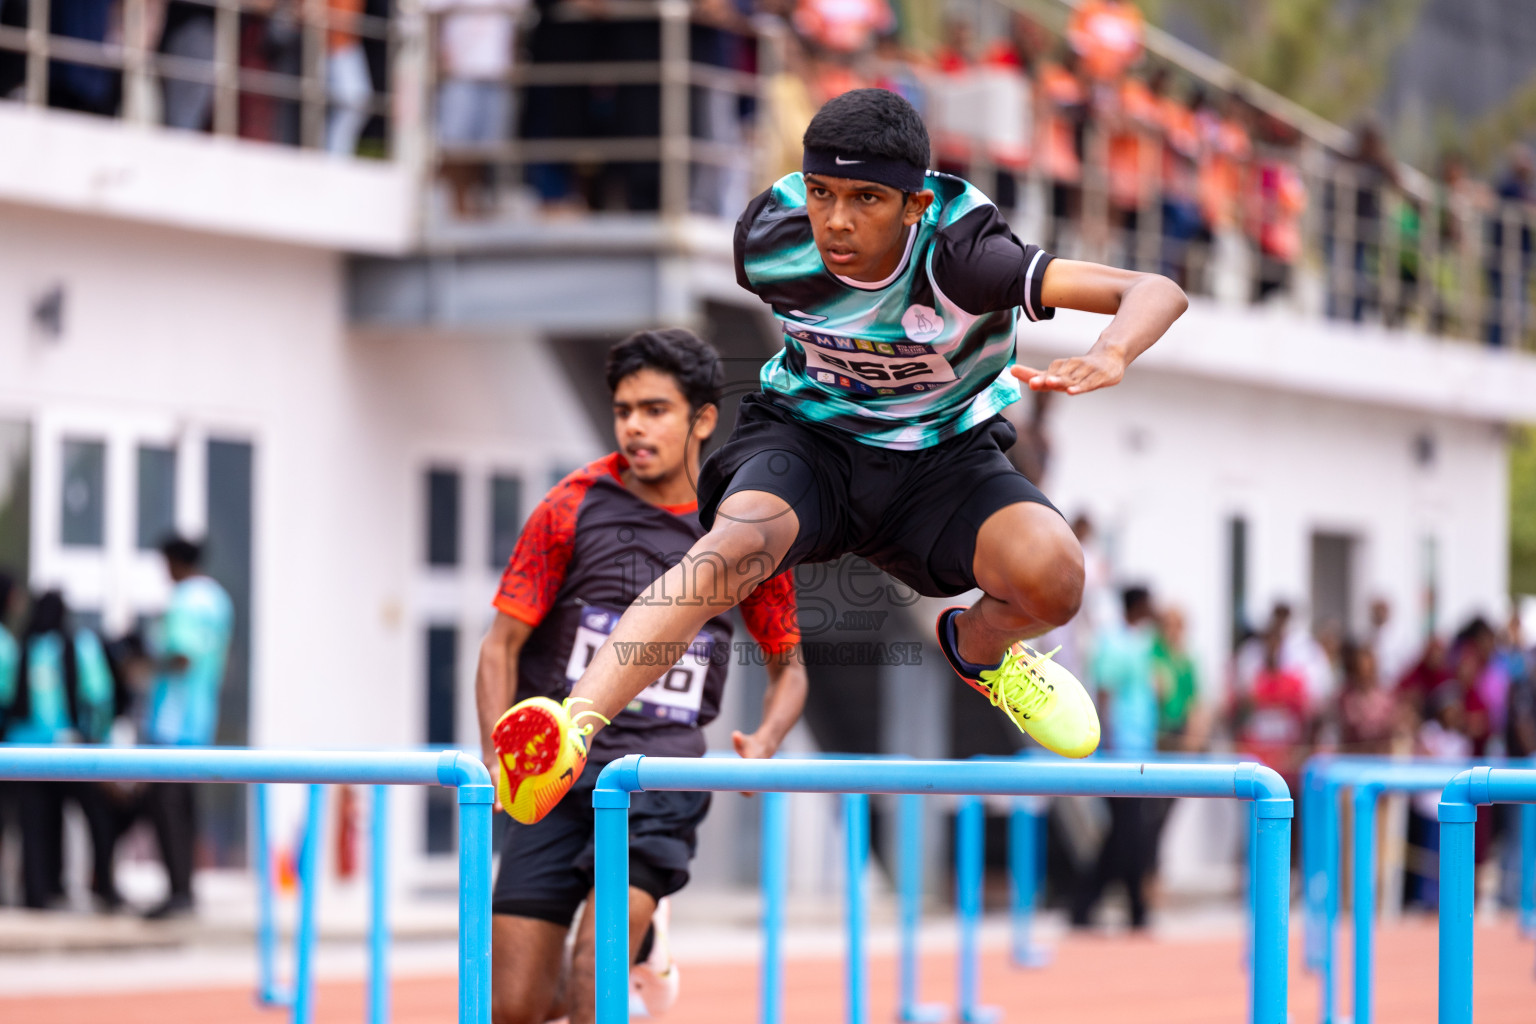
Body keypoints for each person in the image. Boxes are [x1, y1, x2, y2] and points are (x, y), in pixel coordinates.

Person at [493, 87, 1187, 826]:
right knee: (730, 551)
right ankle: (570, 727)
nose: (838, 221)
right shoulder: (769, 237)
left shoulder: (965, 256)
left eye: (866, 200)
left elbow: (1155, 289)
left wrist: (1112, 352)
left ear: (915, 205)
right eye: (821, 193)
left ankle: (984, 653)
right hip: (810, 437)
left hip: (940, 457)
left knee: (1057, 580)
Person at [476, 329, 806, 1024]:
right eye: (624, 410)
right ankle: (648, 944)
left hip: (658, 776)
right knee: (512, 1005)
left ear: (703, 419)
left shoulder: (742, 527)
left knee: (596, 980)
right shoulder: (571, 505)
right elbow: (499, 646)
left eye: (655, 409)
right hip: (554, 770)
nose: (633, 426)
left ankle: (632, 940)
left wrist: (768, 738)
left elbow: (788, 670)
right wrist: (497, 758)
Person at [0, 591, 120, 910]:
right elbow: (99, 697)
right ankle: (104, 887)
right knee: (97, 819)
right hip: (71, 751)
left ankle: (38, 893)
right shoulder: (80, 645)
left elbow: (6, 698)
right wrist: (100, 741)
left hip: (23, 753)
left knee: (36, 828)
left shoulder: (20, 648)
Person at [140, 536, 234, 919]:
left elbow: (181, 655)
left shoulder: (184, 600)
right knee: (187, 809)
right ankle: (186, 887)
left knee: (166, 808)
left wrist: (146, 659)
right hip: (200, 717)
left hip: (172, 719)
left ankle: (178, 890)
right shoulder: (219, 600)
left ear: (175, 562)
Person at [1072, 585, 1159, 930]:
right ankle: (1132, 907)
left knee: (1127, 832)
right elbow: (1105, 694)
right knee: (1129, 831)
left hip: (1140, 748)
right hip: (1119, 751)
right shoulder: (1112, 642)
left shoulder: (1140, 642)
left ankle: (1098, 904)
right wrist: (1107, 743)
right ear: (1137, 605)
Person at [428, 0, 526, 214]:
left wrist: (514, 59)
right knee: (455, 142)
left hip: (497, 70)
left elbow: (517, 22)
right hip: (459, 69)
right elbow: (433, 14)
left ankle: (474, 199)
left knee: (486, 144)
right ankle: (458, 201)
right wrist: (436, 57)